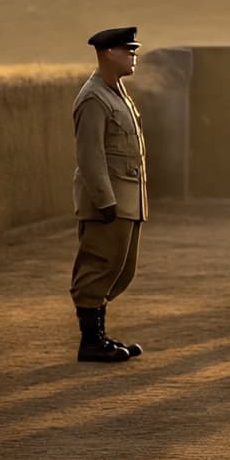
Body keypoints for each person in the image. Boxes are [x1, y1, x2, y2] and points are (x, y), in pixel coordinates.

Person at [70, 27, 148, 363]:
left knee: (121, 268)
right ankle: (91, 341)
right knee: (98, 267)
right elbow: (90, 155)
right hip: (110, 200)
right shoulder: (94, 97)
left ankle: (98, 335)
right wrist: (104, 200)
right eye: (127, 50)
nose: (133, 55)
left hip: (127, 197)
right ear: (107, 54)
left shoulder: (117, 93)